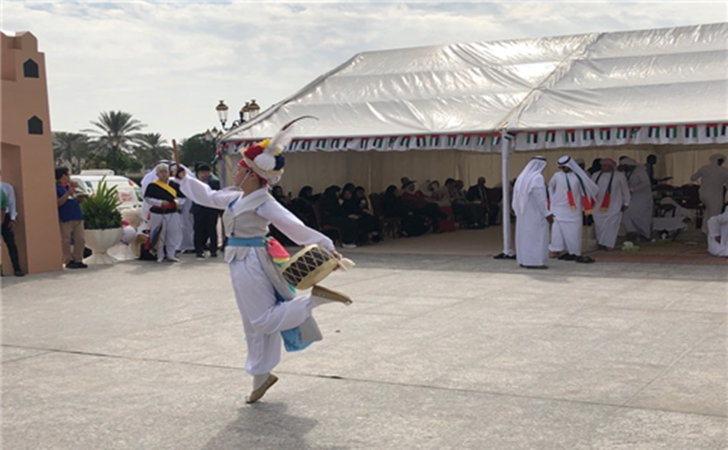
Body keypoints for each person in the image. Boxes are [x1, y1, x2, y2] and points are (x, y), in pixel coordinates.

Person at [175, 123, 351, 404]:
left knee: (260, 318)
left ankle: (313, 301)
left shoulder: (264, 202)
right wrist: (184, 177)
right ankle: (260, 375)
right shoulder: (235, 197)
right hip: (238, 261)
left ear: (252, 175)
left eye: (240, 168)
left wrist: (327, 247)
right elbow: (207, 196)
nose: (235, 171)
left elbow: (295, 227)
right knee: (253, 323)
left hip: (253, 261)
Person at [548, 156, 599, 263]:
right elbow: (550, 187)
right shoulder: (556, 176)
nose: (564, 169)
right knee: (557, 231)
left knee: (574, 232)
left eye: (566, 166)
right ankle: (555, 250)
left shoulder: (579, 176)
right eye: (562, 167)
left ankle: (573, 251)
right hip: (558, 208)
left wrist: (587, 204)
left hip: (573, 209)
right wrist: (553, 200)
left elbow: (589, 189)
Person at [513, 157, 553, 269]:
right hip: (535, 214)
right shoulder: (537, 178)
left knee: (524, 237)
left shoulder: (521, 177)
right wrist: (547, 213)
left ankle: (524, 260)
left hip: (523, 213)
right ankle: (534, 262)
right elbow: (540, 199)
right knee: (536, 237)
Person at [144, 163, 182, 263]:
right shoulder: (152, 186)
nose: (164, 174)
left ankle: (171, 254)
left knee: (172, 233)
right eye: (161, 172)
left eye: (165, 172)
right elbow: (148, 198)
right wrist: (160, 203)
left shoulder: (174, 185)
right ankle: (159, 255)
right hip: (158, 213)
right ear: (157, 174)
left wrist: (177, 203)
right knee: (159, 234)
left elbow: (182, 197)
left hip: (172, 212)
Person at [591, 158, 630, 250]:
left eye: (605, 166)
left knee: (611, 225)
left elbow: (625, 190)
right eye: (602, 166)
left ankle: (609, 244)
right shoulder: (595, 175)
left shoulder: (619, 176)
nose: (603, 167)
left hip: (614, 205)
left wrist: (626, 203)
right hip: (598, 206)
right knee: (599, 224)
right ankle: (601, 242)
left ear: (611, 166)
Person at [55, 167, 88, 269]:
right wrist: (67, 193)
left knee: (80, 239)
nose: (69, 177)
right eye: (67, 175)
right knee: (66, 240)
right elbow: (58, 202)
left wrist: (79, 198)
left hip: (77, 215)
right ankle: (68, 260)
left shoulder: (70, 186)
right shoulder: (57, 188)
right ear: (63, 176)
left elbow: (72, 198)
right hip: (65, 217)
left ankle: (78, 258)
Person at [690, 154, 728, 233]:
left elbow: (692, 178)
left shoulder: (704, 168)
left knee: (708, 211)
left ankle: (705, 229)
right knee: (715, 213)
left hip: (703, 194)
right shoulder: (724, 171)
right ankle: (713, 232)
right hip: (715, 195)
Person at [191, 163, 221, 259]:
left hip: (211, 209)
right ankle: (199, 250)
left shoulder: (215, 183)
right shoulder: (194, 183)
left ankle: (213, 250)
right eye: (202, 172)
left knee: (212, 230)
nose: (204, 174)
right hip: (199, 209)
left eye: (207, 172)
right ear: (198, 173)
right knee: (198, 230)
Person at [619, 157, 653, 241]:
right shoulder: (625, 172)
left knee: (642, 217)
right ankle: (632, 231)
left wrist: (632, 189)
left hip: (643, 199)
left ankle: (645, 235)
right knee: (626, 213)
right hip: (632, 198)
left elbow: (646, 183)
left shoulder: (640, 171)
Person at [1, 178, 24, 276]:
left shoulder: (7, 187)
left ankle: (17, 268)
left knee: (11, 243)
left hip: (5, 216)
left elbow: (11, 203)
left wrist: (12, 218)